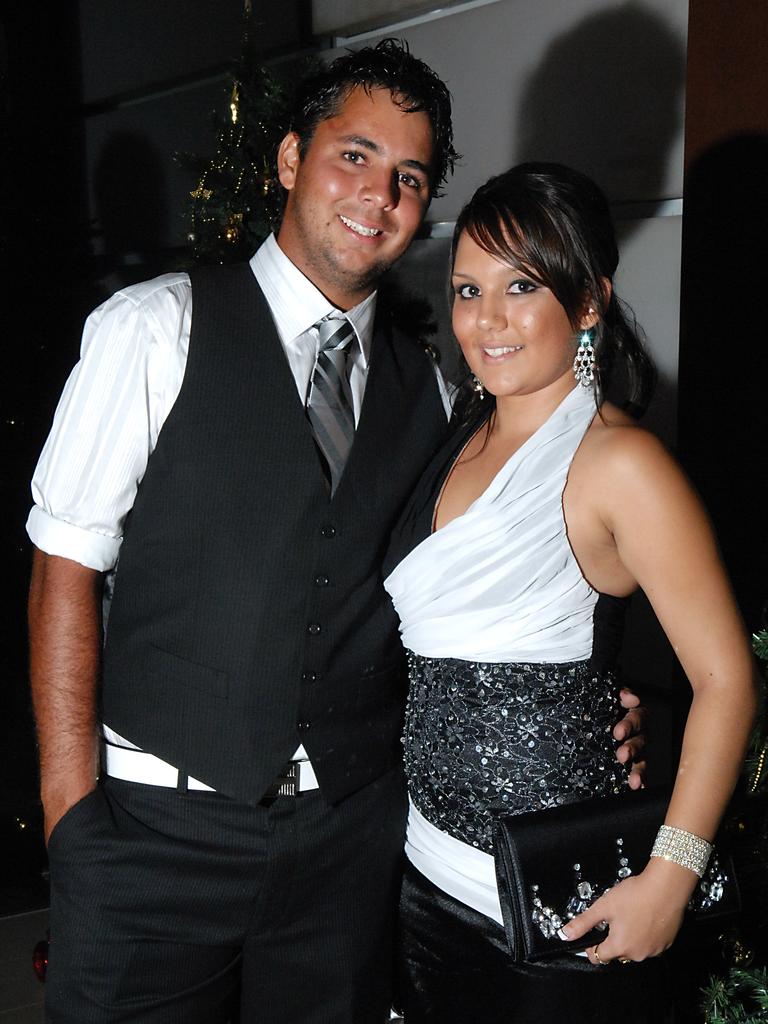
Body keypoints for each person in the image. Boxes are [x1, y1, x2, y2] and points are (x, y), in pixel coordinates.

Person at [26, 41, 642, 1022]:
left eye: (407, 176)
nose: (379, 194)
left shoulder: (438, 385)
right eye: (353, 155)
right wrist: (72, 815)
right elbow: (63, 567)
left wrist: (588, 709)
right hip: (154, 832)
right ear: (288, 160)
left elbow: (490, 580)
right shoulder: (151, 330)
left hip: (348, 848)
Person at [383, 162, 756, 1023]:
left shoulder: (623, 464)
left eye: (522, 286)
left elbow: (727, 679)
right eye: (468, 288)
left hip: (563, 910)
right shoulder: (455, 435)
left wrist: (672, 875)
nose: (487, 319)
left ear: (588, 302)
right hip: (420, 880)